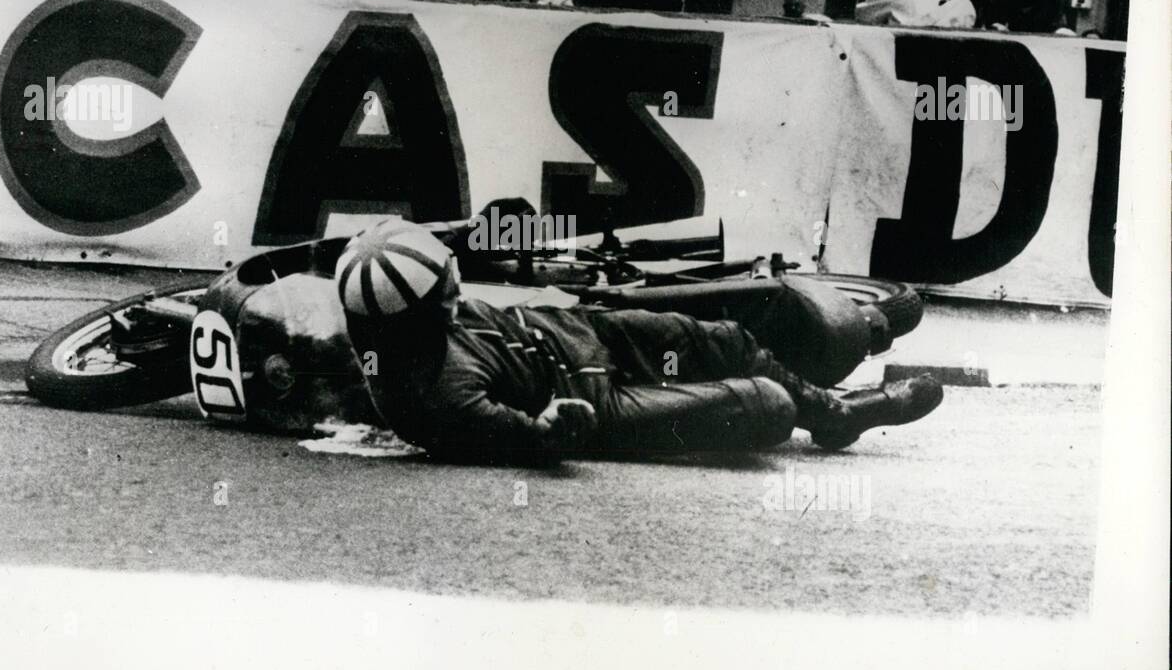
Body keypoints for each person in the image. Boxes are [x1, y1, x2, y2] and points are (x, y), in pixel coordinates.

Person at [332, 219, 944, 465]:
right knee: (767, 407)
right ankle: (820, 409)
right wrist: (549, 426)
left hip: (586, 331)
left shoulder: (389, 311)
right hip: (600, 406)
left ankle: (837, 416)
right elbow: (528, 439)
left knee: (727, 336)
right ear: (412, 316)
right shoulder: (428, 395)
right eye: (445, 288)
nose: (457, 288)